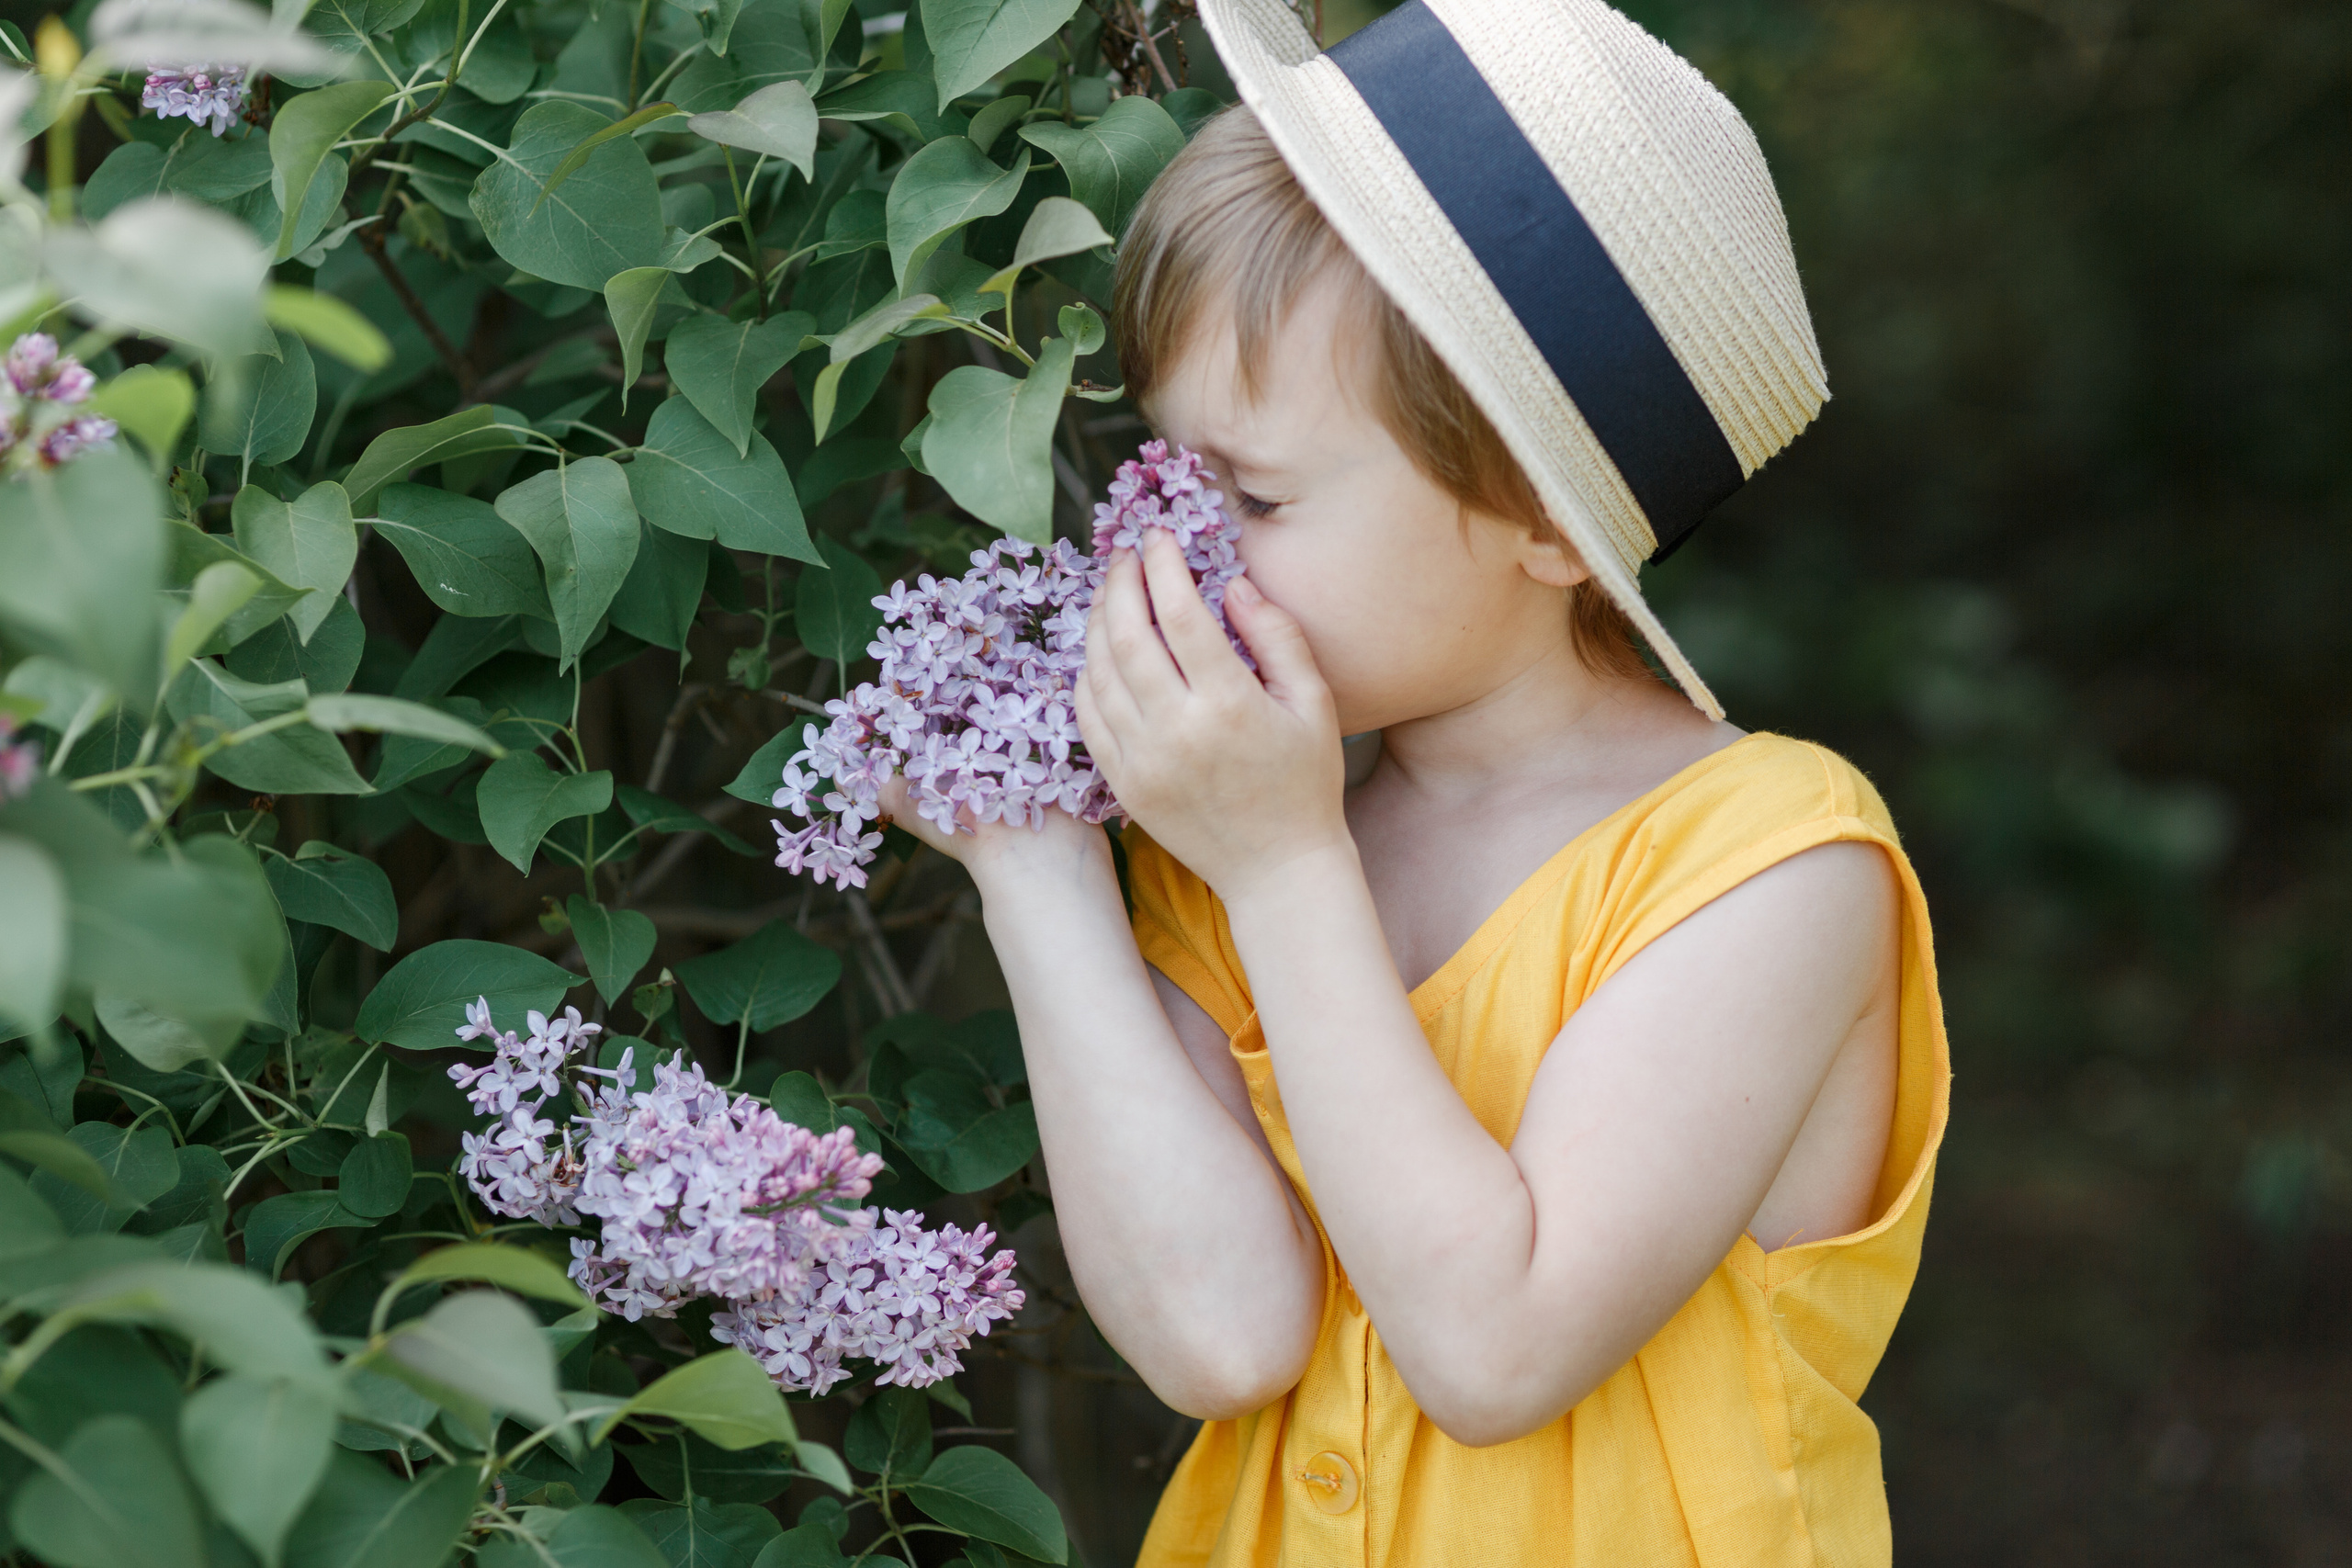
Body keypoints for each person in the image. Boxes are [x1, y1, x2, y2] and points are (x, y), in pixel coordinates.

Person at [878, 0, 1952, 1561]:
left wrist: (1287, 869)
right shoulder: (1236, 829)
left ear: (1543, 523)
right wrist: (1029, 858)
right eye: (1166, 471)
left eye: (1248, 493)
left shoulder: (1775, 865)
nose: (1161, 542)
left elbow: (1494, 1346)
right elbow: (1220, 1339)